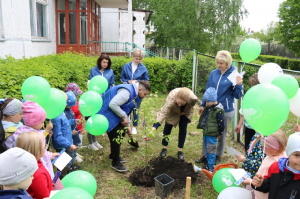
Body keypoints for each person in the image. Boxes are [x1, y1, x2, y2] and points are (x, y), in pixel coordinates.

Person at [197, 50, 243, 165]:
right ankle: (205, 154)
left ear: (227, 63)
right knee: (207, 131)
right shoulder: (214, 73)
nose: (218, 65)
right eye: (217, 62)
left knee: (221, 133)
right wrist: (203, 104)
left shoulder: (234, 75)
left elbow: (238, 95)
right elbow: (208, 90)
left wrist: (239, 85)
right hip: (210, 108)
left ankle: (218, 155)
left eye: (221, 63)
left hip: (225, 110)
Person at [99, 80, 151, 172]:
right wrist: (123, 116)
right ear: (139, 89)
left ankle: (114, 155)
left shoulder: (134, 93)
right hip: (106, 112)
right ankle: (115, 162)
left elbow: (128, 109)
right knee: (116, 135)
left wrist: (127, 124)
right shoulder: (126, 93)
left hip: (114, 112)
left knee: (121, 133)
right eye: (145, 94)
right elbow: (113, 104)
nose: (145, 96)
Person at [4, 101, 56, 178]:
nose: (43, 124)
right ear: (34, 122)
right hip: (39, 171)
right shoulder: (36, 136)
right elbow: (40, 155)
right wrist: (49, 155)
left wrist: (50, 155)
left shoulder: (18, 131)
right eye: (41, 122)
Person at [152, 87, 201, 160]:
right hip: (173, 111)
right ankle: (164, 148)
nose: (179, 105)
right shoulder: (171, 99)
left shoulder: (192, 99)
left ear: (187, 101)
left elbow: (194, 106)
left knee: (183, 129)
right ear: (176, 97)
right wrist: (155, 127)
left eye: (181, 104)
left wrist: (185, 112)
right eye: (178, 103)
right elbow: (163, 112)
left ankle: (180, 150)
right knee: (167, 127)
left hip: (185, 112)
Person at [252, 132, 300, 199]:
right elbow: (270, 186)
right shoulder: (276, 167)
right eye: (297, 155)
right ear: (288, 153)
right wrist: (261, 184)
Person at [243, 130, 287, 199]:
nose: (263, 150)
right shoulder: (272, 155)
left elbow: (270, 185)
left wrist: (251, 182)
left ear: (276, 148)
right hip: (258, 192)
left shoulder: (276, 165)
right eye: (262, 147)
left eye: (265, 148)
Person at [87, 54, 115, 151]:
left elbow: (112, 84)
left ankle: (95, 140)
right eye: (104, 62)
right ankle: (91, 142)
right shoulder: (93, 70)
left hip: (105, 98)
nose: (105, 64)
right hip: (95, 98)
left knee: (99, 117)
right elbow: (89, 84)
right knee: (92, 118)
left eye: (107, 62)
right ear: (100, 62)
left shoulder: (110, 71)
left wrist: (108, 94)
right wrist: (95, 93)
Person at [16, 131, 53, 199]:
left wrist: (47, 182)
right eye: (43, 146)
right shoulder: (37, 174)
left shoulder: (21, 165)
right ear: (38, 150)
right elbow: (44, 196)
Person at [120, 49, 149, 135]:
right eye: (136, 58)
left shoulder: (143, 68)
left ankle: (134, 127)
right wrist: (128, 81)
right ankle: (127, 125)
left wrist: (138, 82)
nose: (138, 61)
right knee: (126, 107)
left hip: (138, 92)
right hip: (127, 90)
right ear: (133, 56)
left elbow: (146, 81)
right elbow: (122, 78)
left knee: (136, 109)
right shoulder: (126, 66)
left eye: (140, 59)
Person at [51, 92, 81, 173]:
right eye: (65, 101)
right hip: (62, 146)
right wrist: (69, 145)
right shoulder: (56, 117)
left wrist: (73, 121)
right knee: (62, 166)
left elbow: (65, 123)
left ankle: (67, 171)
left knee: (66, 163)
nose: (66, 103)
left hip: (66, 143)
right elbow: (58, 137)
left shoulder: (61, 112)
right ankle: (62, 180)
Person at [196, 87, 224, 172]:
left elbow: (221, 124)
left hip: (212, 135)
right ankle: (207, 163)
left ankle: (211, 167)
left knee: (211, 150)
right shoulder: (210, 108)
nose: (206, 103)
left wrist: (220, 133)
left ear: (213, 100)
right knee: (208, 149)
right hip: (207, 132)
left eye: (207, 101)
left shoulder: (218, 111)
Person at [235, 73, 259, 152]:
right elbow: (244, 110)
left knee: (257, 150)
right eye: (252, 86)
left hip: (260, 130)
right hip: (249, 127)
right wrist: (240, 124)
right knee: (248, 148)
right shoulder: (249, 95)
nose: (253, 88)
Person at [64, 91, 83, 163]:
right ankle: (69, 166)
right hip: (69, 135)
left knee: (75, 146)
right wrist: (71, 132)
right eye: (71, 106)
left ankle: (74, 160)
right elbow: (65, 125)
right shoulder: (63, 113)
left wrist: (75, 120)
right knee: (69, 154)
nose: (72, 107)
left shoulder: (69, 109)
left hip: (74, 132)